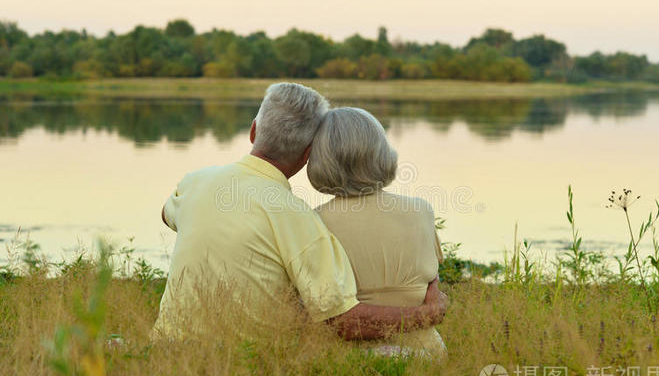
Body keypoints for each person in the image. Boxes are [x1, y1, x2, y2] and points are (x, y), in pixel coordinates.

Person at [154, 83, 447, 341]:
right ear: (309, 154)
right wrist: (426, 315)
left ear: (253, 130)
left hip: (165, 351)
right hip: (247, 362)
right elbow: (343, 321)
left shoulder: (194, 181)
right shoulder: (299, 218)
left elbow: (169, 216)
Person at [307, 107, 447, 356]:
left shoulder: (314, 222)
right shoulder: (420, 210)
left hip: (344, 361)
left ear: (320, 159)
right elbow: (433, 284)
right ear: (381, 153)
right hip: (426, 354)